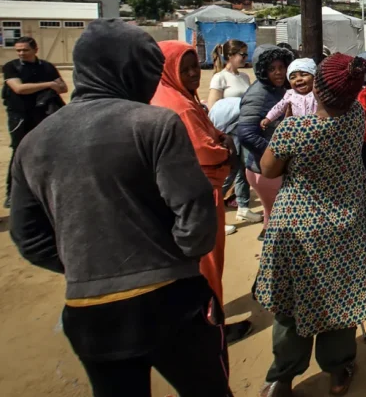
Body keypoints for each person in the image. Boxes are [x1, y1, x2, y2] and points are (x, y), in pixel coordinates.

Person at [10, 20, 232, 397]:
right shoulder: (154, 124)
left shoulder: (33, 142)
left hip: (89, 312)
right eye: (148, 69)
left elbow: (28, 237)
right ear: (128, 70)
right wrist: (172, 261)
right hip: (170, 301)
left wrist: (88, 267)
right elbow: (194, 216)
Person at [254, 53, 366, 397]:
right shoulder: (355, 116)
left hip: (298, 231)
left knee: (291, 306)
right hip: (346, 225)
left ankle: (282, 378)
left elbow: (268, 169)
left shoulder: (294, 130)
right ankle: (337, 372)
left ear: (316, 87)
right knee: (342, 300)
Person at [151, 41, 252, 344]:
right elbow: (206, 152)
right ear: (168, 69)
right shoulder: (178, 105)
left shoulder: (178, 96)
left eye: (196, 66)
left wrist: (221, 140)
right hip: (198, 195)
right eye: (186, 68)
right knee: (206, 263)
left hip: (190, 193)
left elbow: (211, 129)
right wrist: (224, 148)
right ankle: (212, 327)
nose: (195, 73)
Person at [2, 36, 67, 208]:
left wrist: (53, 85)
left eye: (25, 50)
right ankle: (12, 194)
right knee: (20, 153)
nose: (21, 53)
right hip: (20, 116)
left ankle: (45, 191)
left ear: (35, 49)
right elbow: (19, 89)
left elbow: (63, 88)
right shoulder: (12, 67)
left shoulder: (47, 67)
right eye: (18, 50)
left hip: (43, 114)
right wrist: (48, 84)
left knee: (48, 150)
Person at [238, 45, 293, 242]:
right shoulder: (259, 94)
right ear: (262, 71)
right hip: (264, 170)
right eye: (272, 69)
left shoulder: (277, 89)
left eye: (281, 67)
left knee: (272, 218)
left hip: (266, 168)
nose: (278, 72)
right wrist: (275, 154)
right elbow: (245, 133)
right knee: (282, 221)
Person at [207, 39, 262, 224]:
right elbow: (213, 107)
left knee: (245, 167)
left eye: (247, 55)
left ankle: (243, 207)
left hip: (245, 127)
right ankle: (210, 209)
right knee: (230, 169)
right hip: (229, 131)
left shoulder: (245, 77)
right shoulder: (219, 78)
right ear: (230, 56)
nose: (245, 58)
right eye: (242, 55)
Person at [260, 57, 318, 130]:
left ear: (314, 77)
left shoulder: (318, 93)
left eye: (304, 75)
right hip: (296, 129)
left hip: (316, 127)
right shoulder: (290, 94)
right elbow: (278, 107)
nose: (298, 79)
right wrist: (268, 118)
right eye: (293, 77)